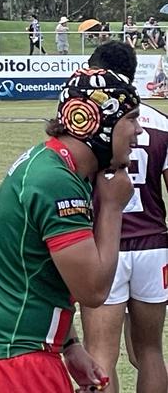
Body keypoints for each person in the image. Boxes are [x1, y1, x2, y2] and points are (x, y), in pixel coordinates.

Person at [0, 67, 142, 392]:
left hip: (16, 351)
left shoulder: (55, 166)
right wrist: (112, 208)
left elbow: (41, 273)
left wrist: (70, 346)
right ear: (96, 121)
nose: (139, 131)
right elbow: (94, 291)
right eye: (132, 118)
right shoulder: (56, 179)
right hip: (16, 358)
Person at [80, 41, 168, 393]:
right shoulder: (160, 123)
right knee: (150, 351)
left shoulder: (91, 123)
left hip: (104, 247)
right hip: (152, 245)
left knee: (100, 353)